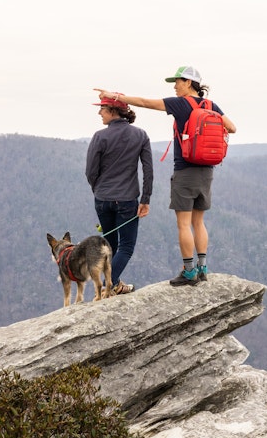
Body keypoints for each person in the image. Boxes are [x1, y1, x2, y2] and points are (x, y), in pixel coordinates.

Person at [94, 65, 236, 286]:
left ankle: (189, 272)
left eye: (177, 82)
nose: (175, 86)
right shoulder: (211, 105)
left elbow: (144, 102)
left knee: (183, 223)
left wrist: (114, 96)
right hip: (207, 171)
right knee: (199, 222)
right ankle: (203, 267)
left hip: (185, 170)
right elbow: (232, 127)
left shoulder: (180, 104)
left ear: (188, 82)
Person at [85, 96, 153, 294]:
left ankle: (112, 284)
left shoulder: (100, 137)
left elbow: (90, 171)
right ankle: (109, 284)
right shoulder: (140, 135)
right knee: (126, 246)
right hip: (127, 200)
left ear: (113, 111)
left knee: (110, 244)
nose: (99, 113)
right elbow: (148, 171)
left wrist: (98, 190)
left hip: (103, 199)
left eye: (102, 109)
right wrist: (145, 199)